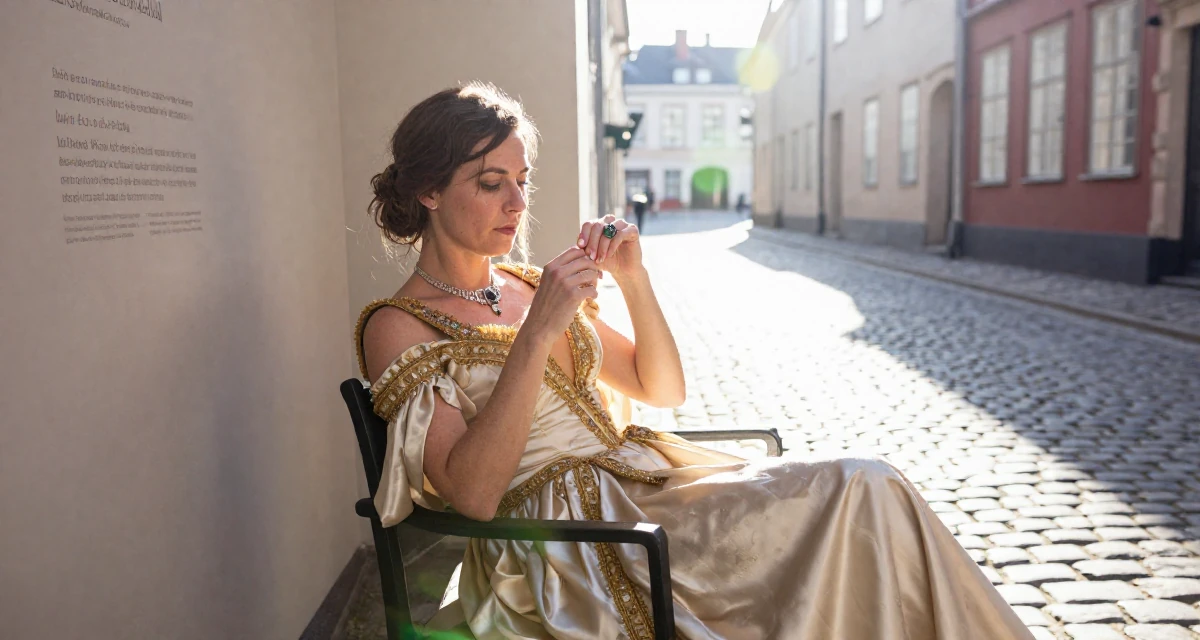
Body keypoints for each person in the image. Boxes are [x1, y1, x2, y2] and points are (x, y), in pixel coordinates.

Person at [356, 82, 1031, 640]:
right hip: (575, 548)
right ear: (429, 192)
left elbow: (661, 386)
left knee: (870, 486)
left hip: (647, 494)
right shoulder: (399, 325)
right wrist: (534, 338)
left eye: (523, 180)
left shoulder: (531, 284)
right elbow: (471, 495)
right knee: (862, 490)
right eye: (491, 182)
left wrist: (633, 278)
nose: (517, 202)